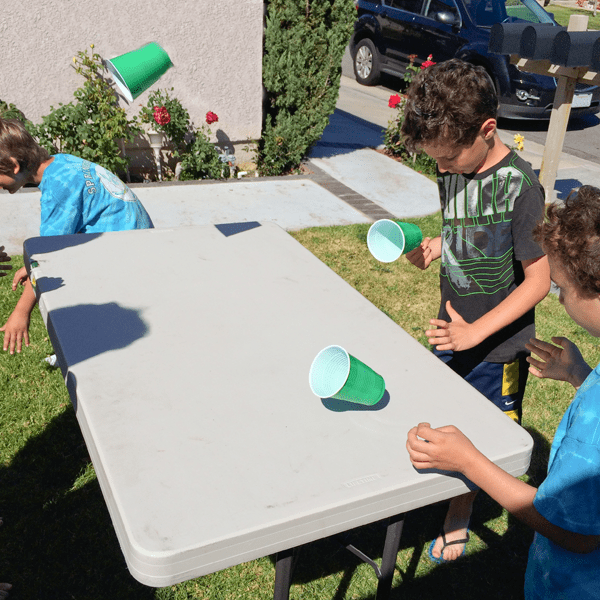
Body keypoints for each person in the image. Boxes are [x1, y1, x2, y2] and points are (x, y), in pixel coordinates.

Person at [407, 185, 600, 598]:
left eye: (562, 289)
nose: (560, 297)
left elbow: (577, 535)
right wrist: (581, 376)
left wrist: (469, 462)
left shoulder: (594, 426)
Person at [400, 59, 551, 562]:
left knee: (480, 429)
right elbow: (464, 225)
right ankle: (441, 491)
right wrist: (439, 247)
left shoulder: (522, 189)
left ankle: (459, 512)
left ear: (487, 130)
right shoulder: (453, 165)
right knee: (444, 413)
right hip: (452, 330)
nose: (442, 169)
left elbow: (539, 280)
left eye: (449, 159)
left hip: (498, 347)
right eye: (436, 161)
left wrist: (476, 333)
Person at [0, 117, 153, 354]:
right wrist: (28, 266)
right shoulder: (62, 163)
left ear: (13, 165)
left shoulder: (58, 190)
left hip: (126, 260)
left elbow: (48, 256)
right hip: (141, 245)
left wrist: (21, 312)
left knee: (88, 312)